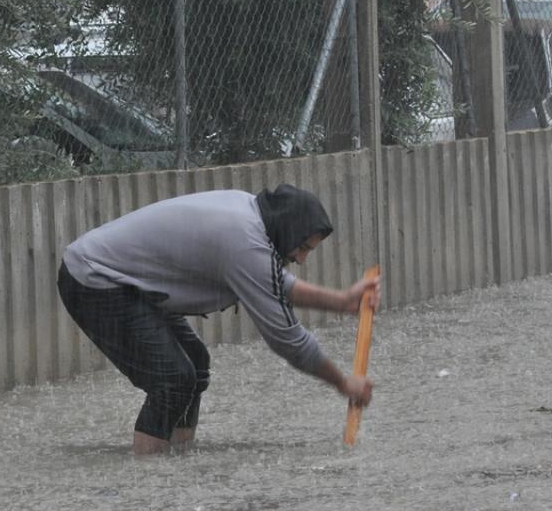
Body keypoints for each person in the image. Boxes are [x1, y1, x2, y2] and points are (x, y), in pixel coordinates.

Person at [56, 183, 379, 455]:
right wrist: (342, 383)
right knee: (172, 379)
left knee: (195, 362)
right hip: (93, 281)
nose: (302, 258)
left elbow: (275, 283)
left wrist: (342, 302)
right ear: (288, 229)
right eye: (302, 247)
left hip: (121, 281)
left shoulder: (250, 215)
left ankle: (179, 457)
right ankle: (148, 480)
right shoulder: (245, 243)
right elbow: (288, 340)